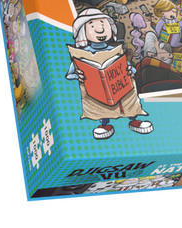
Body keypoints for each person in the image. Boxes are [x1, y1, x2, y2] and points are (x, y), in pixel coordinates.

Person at [65, 8, 152, 140]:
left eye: (103, 24)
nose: (100, 29)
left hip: (120, 86)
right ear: (83, 32)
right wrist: (78, 75)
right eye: (92, 26)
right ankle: (104, 124)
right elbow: (69, 75)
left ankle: (134, 119)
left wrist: (130, 71)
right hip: (96, 89)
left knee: (127, 99)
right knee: (100, 103)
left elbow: (130, 68)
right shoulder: (81, 55)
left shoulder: (115, 50)